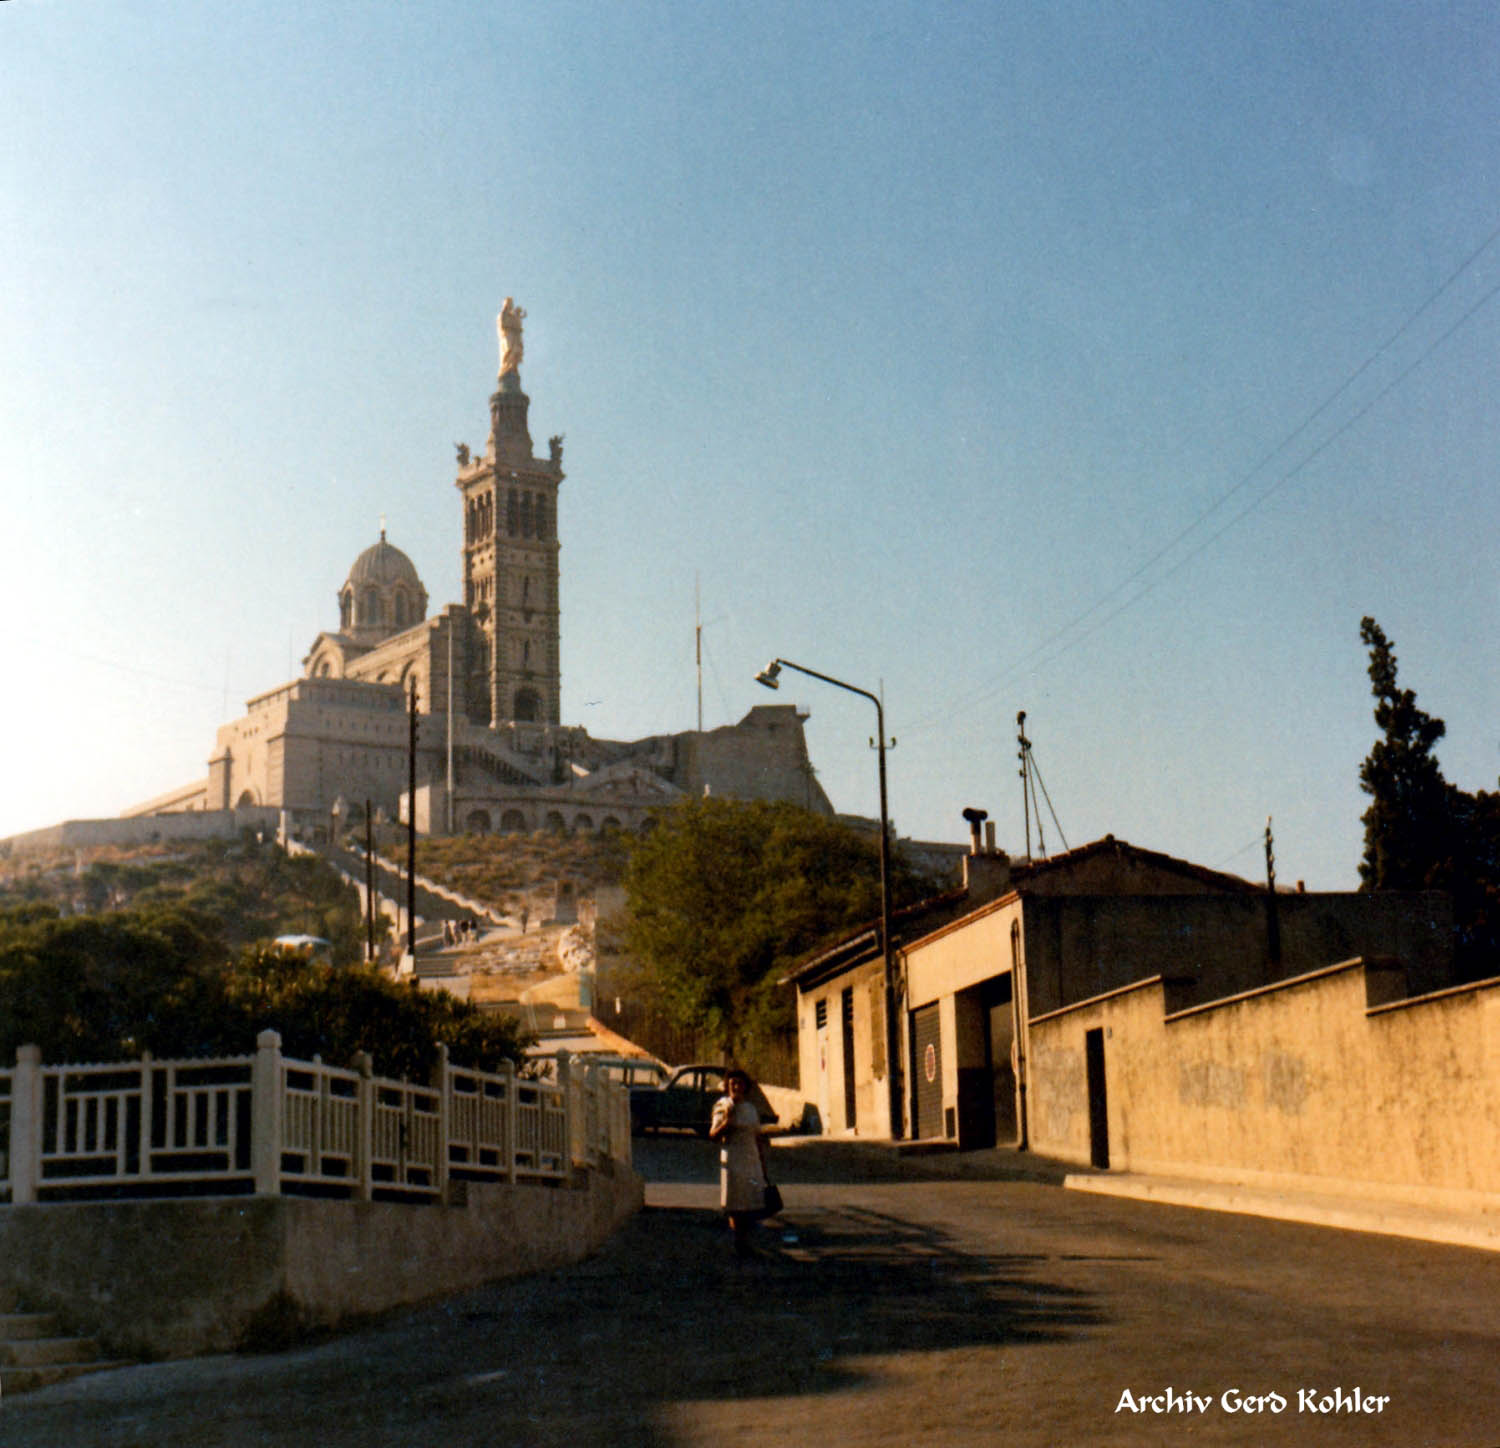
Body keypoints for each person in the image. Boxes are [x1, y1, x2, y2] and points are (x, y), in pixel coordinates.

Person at [708, 1068, 771, 1257]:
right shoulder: (722, 1106)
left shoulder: (751, 1109)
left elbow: (757, 1137)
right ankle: (739, 1244)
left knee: (750, 1202)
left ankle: (745, 1243)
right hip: (733, 1160)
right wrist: (727, 1122)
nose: (736, 1086)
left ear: (746, 1086)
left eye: (740, 1083)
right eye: (732, 1083)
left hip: (750, 1159)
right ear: (727, 1086)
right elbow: (713, 1135)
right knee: (735, 1205)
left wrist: (763, 1164)